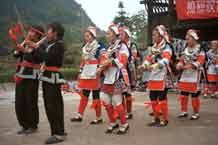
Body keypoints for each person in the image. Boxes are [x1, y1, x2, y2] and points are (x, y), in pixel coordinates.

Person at [29, 22, 67, 144]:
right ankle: (59, 131)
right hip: (48, 77)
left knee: (53, 106)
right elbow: (41, 57)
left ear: (55, 32)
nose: (47, 33)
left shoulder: (59, 45)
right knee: (52, 106)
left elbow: (48, 58)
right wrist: (33, 49)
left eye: (49, 30)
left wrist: (36, 47)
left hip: (53, 77)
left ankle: (58, 133)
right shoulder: (51, 44)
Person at [97, 23, 129, 134]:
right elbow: (103, 61)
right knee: (105, 100)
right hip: (108, 77)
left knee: (117, 101)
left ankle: (124, 123)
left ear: (115, 34)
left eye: (109, 33)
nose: (107, 35)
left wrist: (109, 62)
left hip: (117, 77)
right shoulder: (109, 48)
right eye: (107, 33)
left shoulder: (122, 46)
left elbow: (123, 61)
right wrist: (101, 67)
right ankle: (113, 122)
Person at [138, 25, 172, 127]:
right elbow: (148, 59)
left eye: (154, 35)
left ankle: (164, 119)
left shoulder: (167, 47)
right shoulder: (153, 48)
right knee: (152, 97)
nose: (153, 37)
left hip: (163, 74)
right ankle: (156, 117)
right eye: (153, 35)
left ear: (161, 36)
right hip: (154, 75)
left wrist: (154, 66)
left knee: (161, 98)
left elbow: (166, 60)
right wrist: (143, 66)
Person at [70, 26, 106, 124]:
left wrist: (101, 68)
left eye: (88, 36)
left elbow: (103, 58)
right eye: (85, 36)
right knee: (84, 94)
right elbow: (83, 60)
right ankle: (79, 115)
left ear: (93, 36)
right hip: (86, 71)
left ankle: (98, 118)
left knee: (95, 95)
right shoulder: (84, 47)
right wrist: (80, 70)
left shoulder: (99, 45)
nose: (86, 37)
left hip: (95, 72)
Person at [14, 25, 44, 134]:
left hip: (32, 76)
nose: (29, 33)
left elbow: (39, 58)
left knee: (30, 102)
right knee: (19, 102)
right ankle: (24, 125)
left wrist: (27, 51)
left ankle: (33, 125)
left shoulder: (40, 46)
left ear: (38, 35)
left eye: (32, 32)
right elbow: (16, 55)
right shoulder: (25, 42)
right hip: (20, 75)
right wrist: (19, 49)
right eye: (29, 31)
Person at [176, 29, 205, 120]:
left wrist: (188, 66)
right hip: (185, 74)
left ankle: (196, 113)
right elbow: (181, 59)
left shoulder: (200, 48)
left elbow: (200, 61)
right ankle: (184, 111)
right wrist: (179, 64)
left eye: (188, 39)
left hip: (195, 74)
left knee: (194, 94)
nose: (187, 41)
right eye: (186, 39)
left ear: (194, 39)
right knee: (183, 93)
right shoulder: (186, 49)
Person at [119, 26, 135, 119]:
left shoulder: (131, 45)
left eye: (122, 34)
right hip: (120, 69)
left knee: (127, 93)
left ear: (127, 35)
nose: (120, 35)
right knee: (121, 92)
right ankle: (123, 112)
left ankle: (129, 112)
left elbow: (133, 57)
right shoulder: (119, 44)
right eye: (120, 33)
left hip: (128, 70)